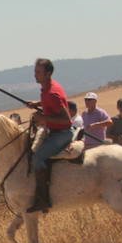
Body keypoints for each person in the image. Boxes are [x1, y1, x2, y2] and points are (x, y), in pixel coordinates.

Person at [24, 58, 73, 213]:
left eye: (38, 72)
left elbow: (66, 119)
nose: (35, 75)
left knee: (38, 156)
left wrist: (43, 118)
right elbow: (49, 105)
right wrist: (37, 104)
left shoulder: (52, 92)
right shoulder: (46, 89)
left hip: (62, 133)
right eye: (35, 72)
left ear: (48, 73)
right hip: (54, 131)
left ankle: (43, 200)